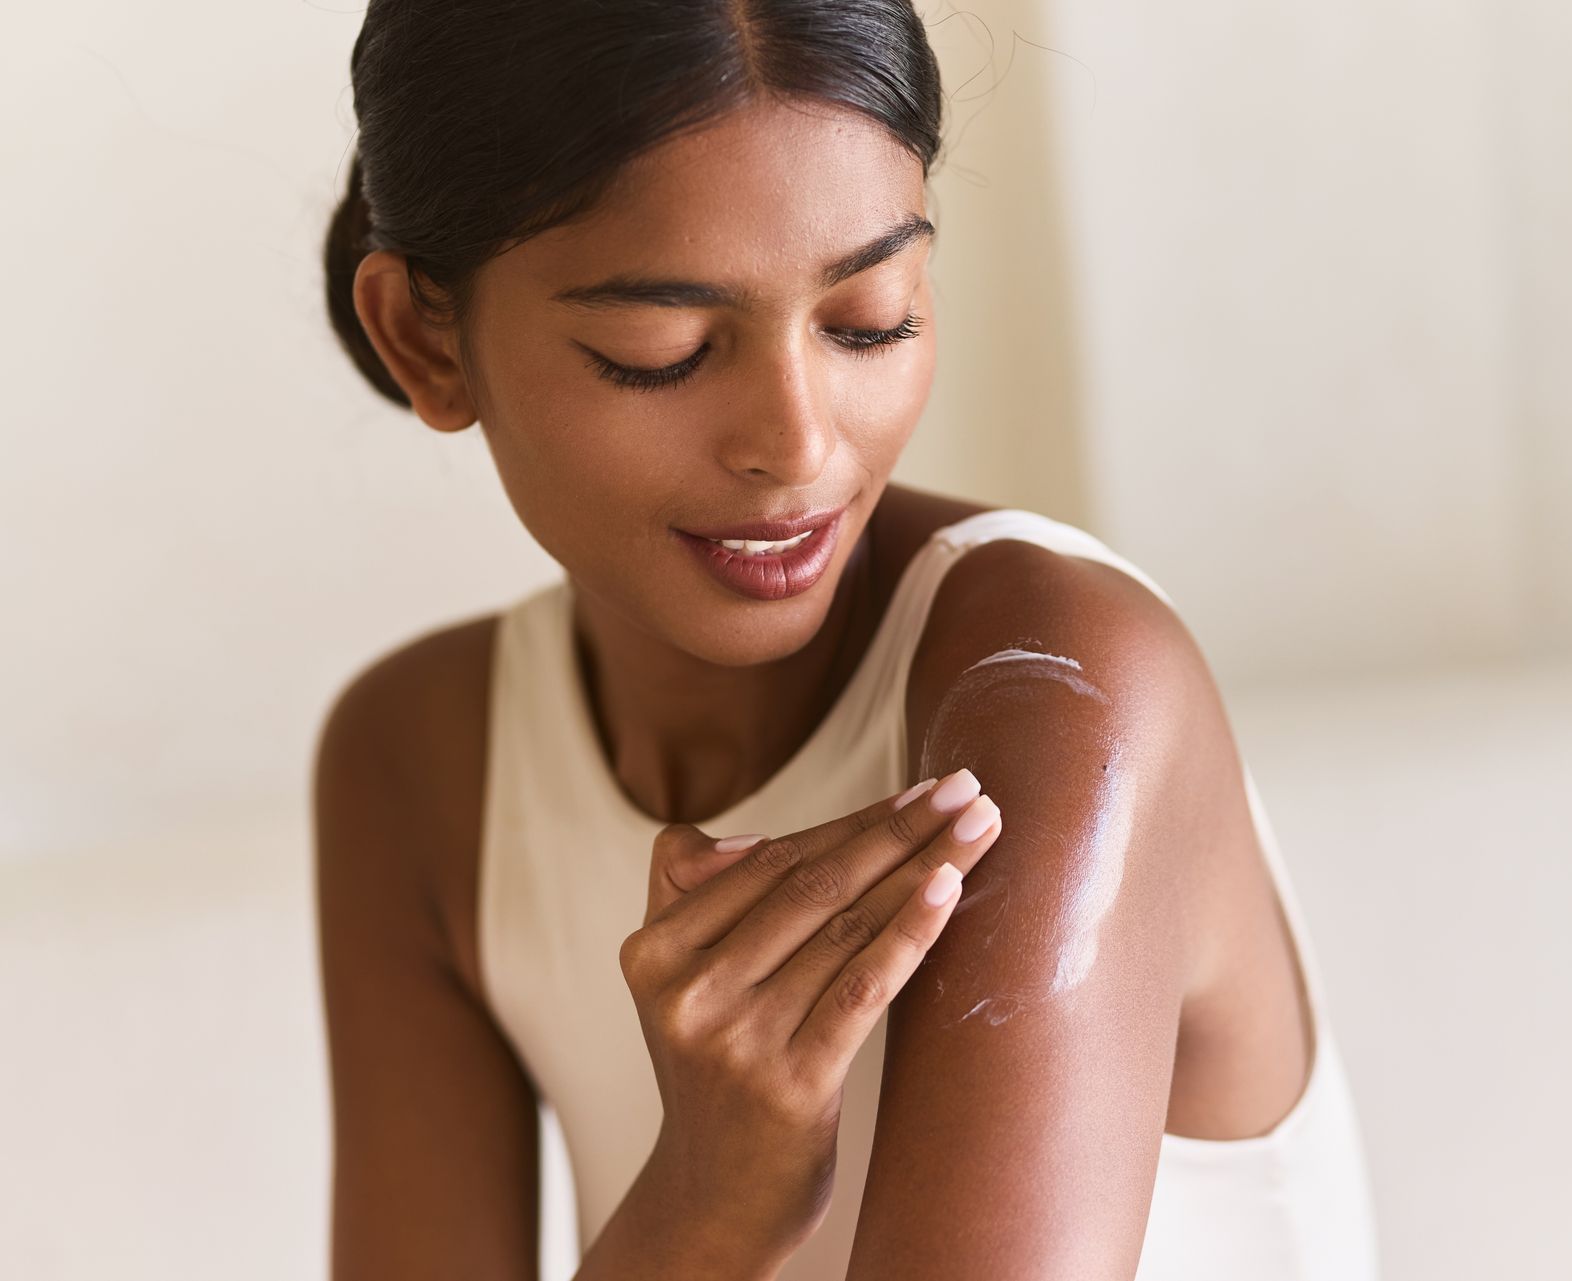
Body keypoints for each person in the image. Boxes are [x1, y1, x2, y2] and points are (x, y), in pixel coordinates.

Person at [312, 2, 1379, 1277]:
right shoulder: (419, 763)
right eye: (662, 352)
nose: (800, 443)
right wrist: (710, 1198)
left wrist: (707, 1216)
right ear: (427, 340)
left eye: (869, 317)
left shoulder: (1064, 687)